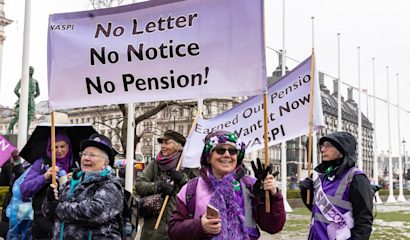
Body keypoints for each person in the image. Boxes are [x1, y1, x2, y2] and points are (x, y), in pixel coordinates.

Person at [168, 130, 286, 239]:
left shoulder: (251, 186)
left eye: (232, 151)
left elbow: (273, 227)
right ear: (209, 157)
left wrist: (272, 196)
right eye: (220, 150)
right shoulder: (191, 188)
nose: (227, 155)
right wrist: (200, 226)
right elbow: (173, 231)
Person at [42, 133, 124, 239]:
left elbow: (94, 213)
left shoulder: (111, 185)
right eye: (84, 154)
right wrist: (50, 200)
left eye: (92, 155)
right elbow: (48, 213)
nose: (86, 158)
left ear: (105, 163)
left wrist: (58, 207)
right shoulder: (72, 182)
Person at [299, 132, 373, 240]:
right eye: (322, 146)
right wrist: (305, 192)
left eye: (328, 145)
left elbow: (364, 222)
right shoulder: (323, 177)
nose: (322, 150)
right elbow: (317, 211)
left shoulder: (356, 178)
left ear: (342, 150)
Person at [20, 133, 76, 240]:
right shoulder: (41, 164)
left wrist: (75, 180)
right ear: (49, 149)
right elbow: (24, 189)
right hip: (43, 224)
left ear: (69, 147)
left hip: (69, 225)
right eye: (55, 147)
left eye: (62, 146)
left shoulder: (77, 163)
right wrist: (44, 177)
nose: (59, 150)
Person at [135, 130, 188, 240]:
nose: (163, 146)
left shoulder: (188, 164)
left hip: (177, 226)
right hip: (153, 228)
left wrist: (183, 179)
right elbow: (139, 184)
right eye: (162, 143)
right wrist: (157, 186)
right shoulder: (155, 163)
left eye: (167, 142)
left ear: (179, 146)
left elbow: (198, 191)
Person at [7, 66, 40, 134]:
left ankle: (26, 132)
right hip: (23, 99)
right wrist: (21, 97)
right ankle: (9, 130)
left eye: (33, 70)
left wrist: (32, 98)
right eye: (30, 69)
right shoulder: (23, 79)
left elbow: (38, 93)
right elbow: (16, 90)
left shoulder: (35, 81)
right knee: (17, 115)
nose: (32, 71)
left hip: (31, 101)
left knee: (29, 117)